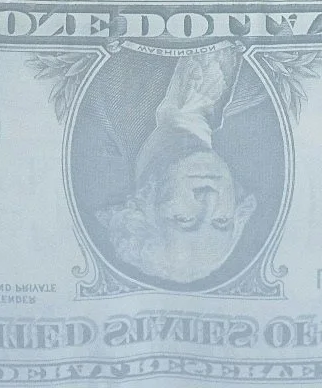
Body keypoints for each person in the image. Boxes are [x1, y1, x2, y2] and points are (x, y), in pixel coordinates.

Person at [94, 44, 260, 286]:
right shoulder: (256, 90)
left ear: (141, 208)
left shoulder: (104, 89)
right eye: (221, 221)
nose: (209, 199)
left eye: (184, 218)